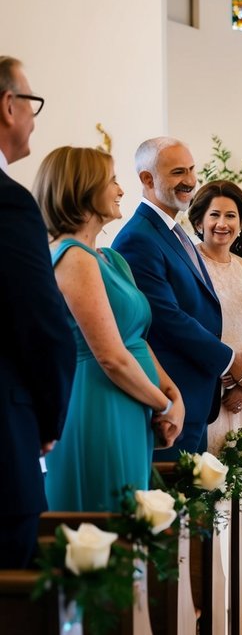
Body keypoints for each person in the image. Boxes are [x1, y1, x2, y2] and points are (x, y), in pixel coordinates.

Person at [34, 147, 184, 511]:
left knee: (132, 522)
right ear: (84, 190)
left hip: (132, 402)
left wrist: (172, 393)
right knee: (108, 518)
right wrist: (162, 404)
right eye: (113, 181)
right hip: (99, 404)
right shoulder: (73, 258)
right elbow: (111, 357)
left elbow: (135, 339)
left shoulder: (110, 258)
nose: (120, 190)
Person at [114, 138, 242, 457]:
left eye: (191, 169)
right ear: (147, 179)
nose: (190, 180)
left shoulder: (172, 230)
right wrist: (227, 359)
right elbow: (164, 317)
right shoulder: (138, 239)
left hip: (194, 398)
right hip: (171, 401)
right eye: (177, 172)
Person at [0, 56, 75, 567]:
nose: (33, 116)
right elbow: (43, 325)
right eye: (32, 104)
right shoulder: (9, 203)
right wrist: (50, 418)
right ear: (9, 106)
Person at [188, 180, 242, 455]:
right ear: (198, 222)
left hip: (240, 391)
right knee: (205, 478)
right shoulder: (190, 263)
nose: (223, 223)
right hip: (207, 385)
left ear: (241, 223)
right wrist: (227, 374)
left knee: (235, 482)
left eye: (231, 216)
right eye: (215, 215)